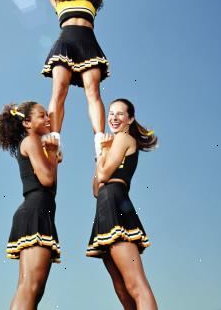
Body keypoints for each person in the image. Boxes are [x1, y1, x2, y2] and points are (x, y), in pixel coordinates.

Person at [20, 0, 131, 157]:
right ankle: (55, 139)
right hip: (66, 43)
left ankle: (100, 139)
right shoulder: (59, 0)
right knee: (59, 90)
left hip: (88, 43)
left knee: (93, 90)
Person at [86, 99, 158, 310]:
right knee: (121, 287)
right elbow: (96, 189)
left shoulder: (123, 138)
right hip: (105, 204)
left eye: (119, 114)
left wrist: (102, 153)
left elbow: (104, 173)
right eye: (111, 114)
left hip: (116, 202)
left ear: (130, 119)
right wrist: (104, 154)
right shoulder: (113, 144)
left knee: (136, 284)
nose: (114, 118)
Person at [0, 101, 60, 310]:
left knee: (30, 288)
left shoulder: (34, 142)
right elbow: (47, 181)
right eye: (42, 115)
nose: (47, 119)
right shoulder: (32, 140)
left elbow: (50, 185)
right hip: (35, 211)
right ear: (27, 123)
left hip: (38, 210)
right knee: (30, 287)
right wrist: (51, 155)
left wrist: (52, 157)